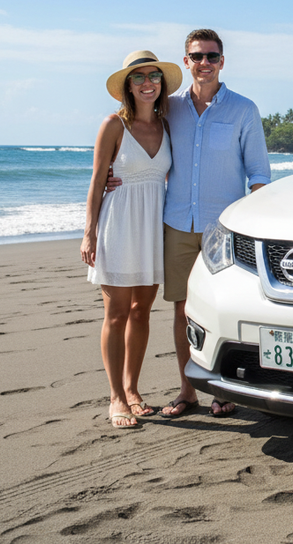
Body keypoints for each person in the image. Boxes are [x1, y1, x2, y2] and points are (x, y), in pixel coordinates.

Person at [112, 29, 271, 419]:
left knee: (224, 309)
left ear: (222, 61)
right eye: (197, 57)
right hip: (177, 223)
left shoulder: (244, 109)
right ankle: (189, 391)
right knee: (183, 310)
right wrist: (108, 177)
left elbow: (259, 174)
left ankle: (225, 389)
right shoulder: (171, 108)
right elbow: (138, 140)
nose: (204, 64)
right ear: (186, 62)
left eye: (212, 57)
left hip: (225, 230)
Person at [81, 50, 183, 429]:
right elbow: (96, 182)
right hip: (119, 225)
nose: (147, 84)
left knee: (142, 311)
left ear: (161, 84)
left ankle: (133, 389)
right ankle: (115, 398)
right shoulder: (113, 125)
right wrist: (88, 232)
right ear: (128, 86)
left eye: (153, 76)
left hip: (154, 227)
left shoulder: (168, 126)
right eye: (138, 77)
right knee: (117, 312)